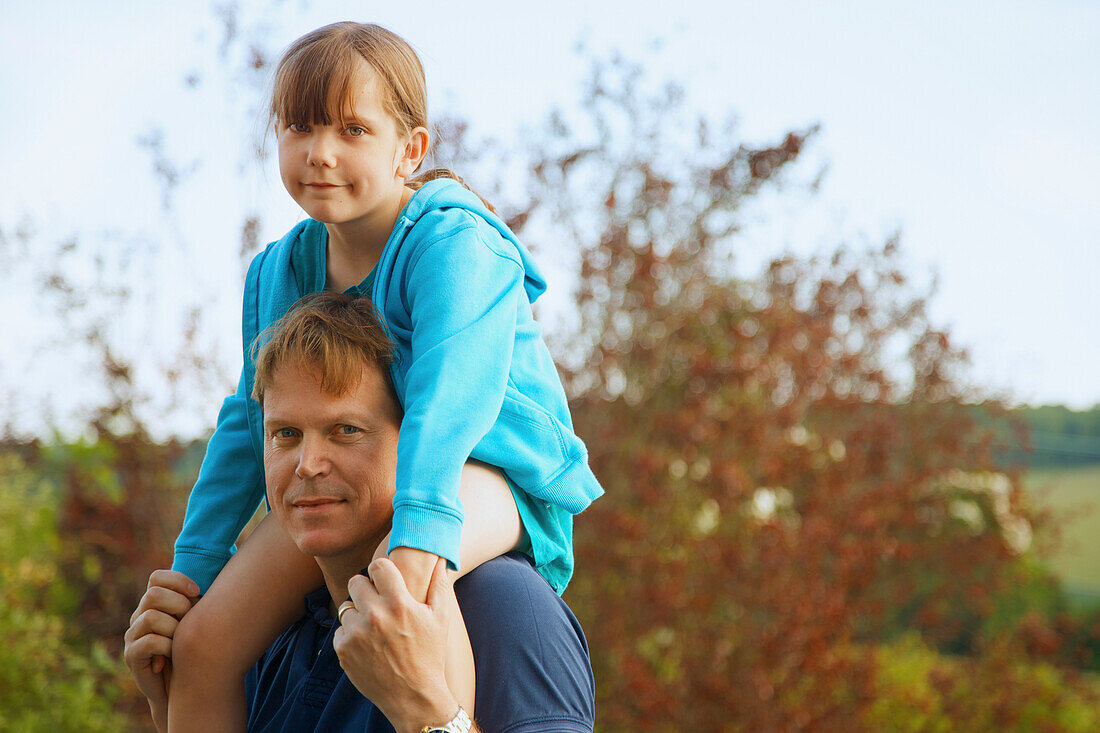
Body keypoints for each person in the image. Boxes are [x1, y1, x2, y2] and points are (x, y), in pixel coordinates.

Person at [167, 21, 603, 731]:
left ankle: (433, 712)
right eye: (300, 127)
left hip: (489, 468)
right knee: (202, 637)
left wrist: (419, 531)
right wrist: (196, 563)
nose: (320, 153)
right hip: (366, 474)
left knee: (405, 588)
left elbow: (448, 403)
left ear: (411, 149)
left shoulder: (453, 244)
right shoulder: (279, 270)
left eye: (352, 130)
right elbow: (248, 425)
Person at [126, 293, 596, 733]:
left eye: (345, 430)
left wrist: (428, 710)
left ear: (418, 443)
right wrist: (168, 699)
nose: (307, 464)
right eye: (285, 434)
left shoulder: (507, 609)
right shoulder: (268, 636)